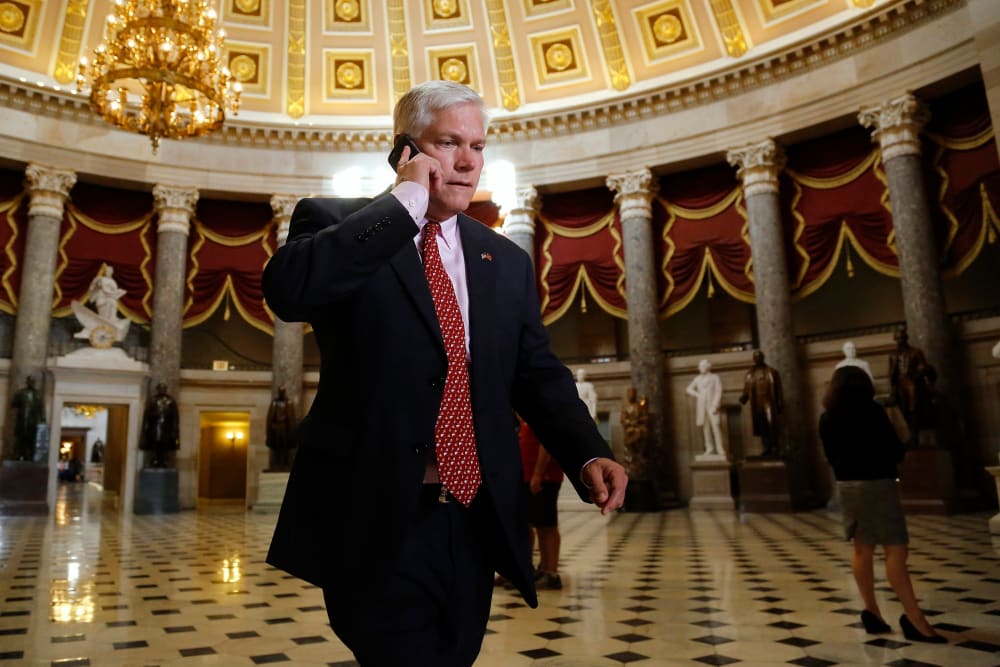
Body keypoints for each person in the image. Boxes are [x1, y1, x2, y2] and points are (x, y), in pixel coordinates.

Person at [262, 80, 627, 666]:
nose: (467, 162)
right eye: (449, 143)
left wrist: (587, 451)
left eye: (478, 146)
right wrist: (402, 205)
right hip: (377, 514)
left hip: (476, 516)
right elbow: (291, 292)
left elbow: (535, 372)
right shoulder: (338, 223)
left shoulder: (503, 259)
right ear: (405, 150)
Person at [820, 366, 945, 644]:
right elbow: (895, 449)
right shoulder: (873, 412)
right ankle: (914, 618)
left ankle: (872, 612)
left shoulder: (826, 419)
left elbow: (830, 456)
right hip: (877, 485)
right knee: (896, 550)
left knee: (862, 548)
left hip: (847, 488)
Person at [518, 419, 564, 590]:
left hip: (545, 478)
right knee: (540, 526)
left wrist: (538, 474)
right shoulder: (528, 421)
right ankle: (544, 568)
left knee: (547, 525)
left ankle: (552, 574)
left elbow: (547, 444)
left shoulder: (544, 418)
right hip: (531, 477)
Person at [888, 326, 936, 437]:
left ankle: (914, 434)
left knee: (913, 408)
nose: (900, 341)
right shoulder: (893, 355)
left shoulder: (915, 352)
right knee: (903, 410)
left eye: (902, 338)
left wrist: (922, 374)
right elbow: (891, 374)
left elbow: (924, 367)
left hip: (913, 382)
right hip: (900, 384)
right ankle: (908, 435)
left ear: (906, 339)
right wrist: (892, 389)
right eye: (898, 339)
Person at [739, 350, 783, 458]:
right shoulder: (750, 374)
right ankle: (766, 447)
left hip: (768, 401)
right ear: (754, 359)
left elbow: (778, 389)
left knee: (771, 424)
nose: (757, 358)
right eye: (756, 357)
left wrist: (780, 402)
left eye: (759, 356)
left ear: (763, 358)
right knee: (762, 425)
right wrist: (744, 397)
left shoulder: (772, 372)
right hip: (757, 402)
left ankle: (775, 447)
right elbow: (747, 388)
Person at [686, 359, 725, 459]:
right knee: (705, 428)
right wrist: (697, 394)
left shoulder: (715, 378)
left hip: (712, 406)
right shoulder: (697, 379)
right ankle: (709, 448)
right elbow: (688, 389)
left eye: (702, 366)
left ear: (707, 367)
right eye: (700, 367)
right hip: (702, 406)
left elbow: (718, 391)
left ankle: (720, 448)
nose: (700, 368)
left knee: (716, 427)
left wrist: (715, 405)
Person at [140, 382, 179, 468]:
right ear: (158, 389)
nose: (162, 390)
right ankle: (155, 459)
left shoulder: (171, 401)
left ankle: (163, 460)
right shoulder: (152, 400)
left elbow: (175, 417)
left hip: (166, 428)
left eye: (163, 388)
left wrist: (174, 430)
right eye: (160, 388)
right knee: (155, 443)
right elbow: (147, 415)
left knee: (165, 444)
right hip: (155, 428)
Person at [9, 376, 44, 461]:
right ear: (27, 382)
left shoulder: (37, 394)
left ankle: (30, 456)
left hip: (33, 420)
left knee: (31, 439)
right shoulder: (21, 393)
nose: (31, 383)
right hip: (22, 419)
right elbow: (13, 404)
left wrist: (42, 419)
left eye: (33, 382)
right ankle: (17, 454)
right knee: (20, 438)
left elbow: (41, 408)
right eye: (30, 381)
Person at [620, 386, 651, 476]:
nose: (631, 395)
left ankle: (641, 455)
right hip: (629, 427)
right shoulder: (625, 407)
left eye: (633, 394)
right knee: (631, 434)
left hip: (638, 426)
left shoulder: (639, 406)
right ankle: (631, 457)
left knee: (642, 432)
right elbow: (622, 419)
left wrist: (638, 421)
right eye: (629, 394)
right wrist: (629, 422)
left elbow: (645, 417)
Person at [266, 385, 296, 471]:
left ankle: (285, 464)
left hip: (286, 428)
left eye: (283, 391)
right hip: (276, 429)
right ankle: (276, 465)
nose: (281, 393)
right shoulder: (274, 403)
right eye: (280, 391)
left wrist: (293, 432)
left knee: (285, 447)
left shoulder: (289, 403)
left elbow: (292, 418)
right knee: (276, 448)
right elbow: (270, 418)